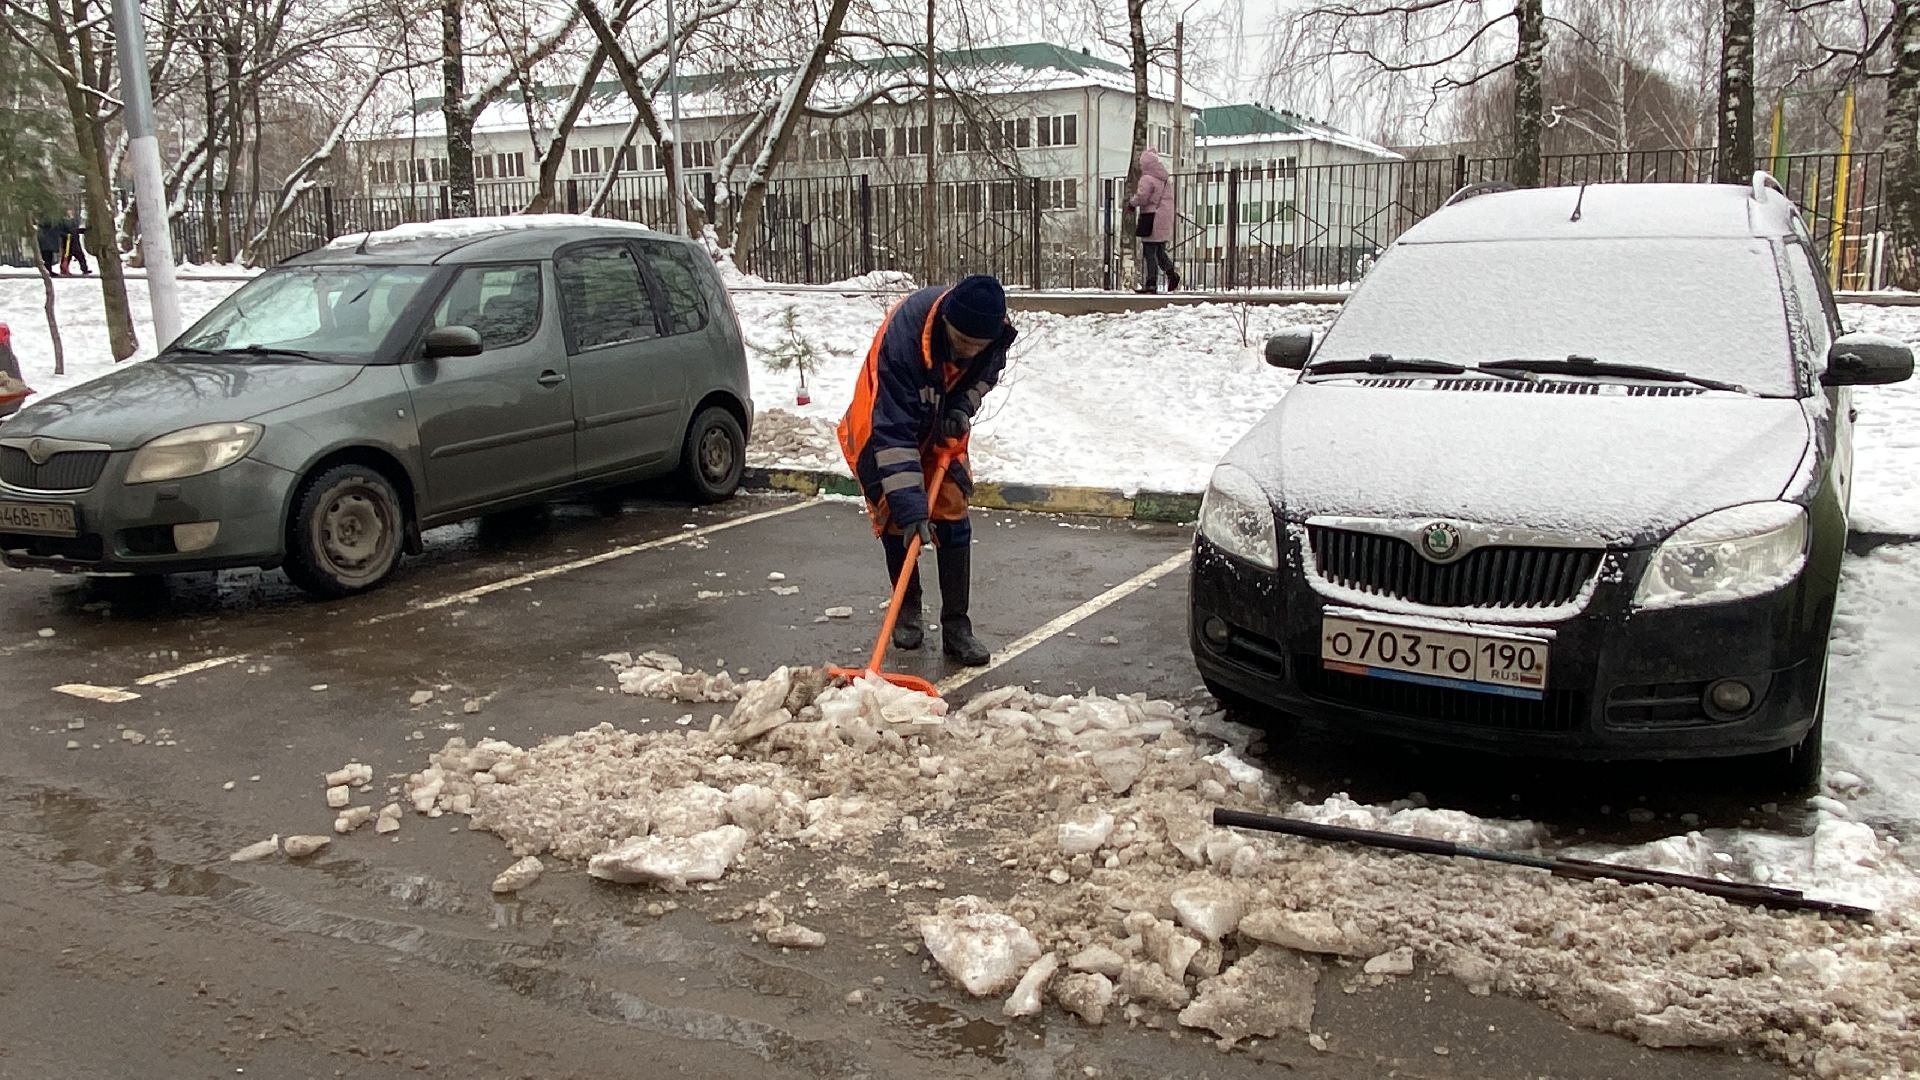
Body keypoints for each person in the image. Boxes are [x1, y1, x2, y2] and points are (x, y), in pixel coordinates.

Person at [837, 275, 1017, 667]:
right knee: (897, 519)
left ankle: (957, 628)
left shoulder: (993, 334)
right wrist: (911, 506)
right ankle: (907, 609)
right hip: (881, 425)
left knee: (952, 515)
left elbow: (985, 373)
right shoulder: (904, 342)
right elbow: (893, 432)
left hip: (938, 421)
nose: (969, 351)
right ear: (945, 322)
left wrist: (961, 407)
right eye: (961, 341)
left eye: (977, 344)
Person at [1128, 148, 1180, 294]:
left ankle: (1151, 283)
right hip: (1164, 217)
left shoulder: (1147, 179)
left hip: (1152, 217)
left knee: (1149, 252)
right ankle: (1171, 274)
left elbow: (1142, 197)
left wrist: (1132, 204)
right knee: (1159, 251)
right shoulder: (1164, 179)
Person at [59, 211, 90, 276]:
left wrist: (83, 230)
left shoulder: (73, 221)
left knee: (81, 257)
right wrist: (66, 235)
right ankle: (64, 270)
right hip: (68, 243)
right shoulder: (62, 222)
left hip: (75, 242)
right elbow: (60, 232)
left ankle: (85, 269)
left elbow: (76, 230)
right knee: (66, 257)